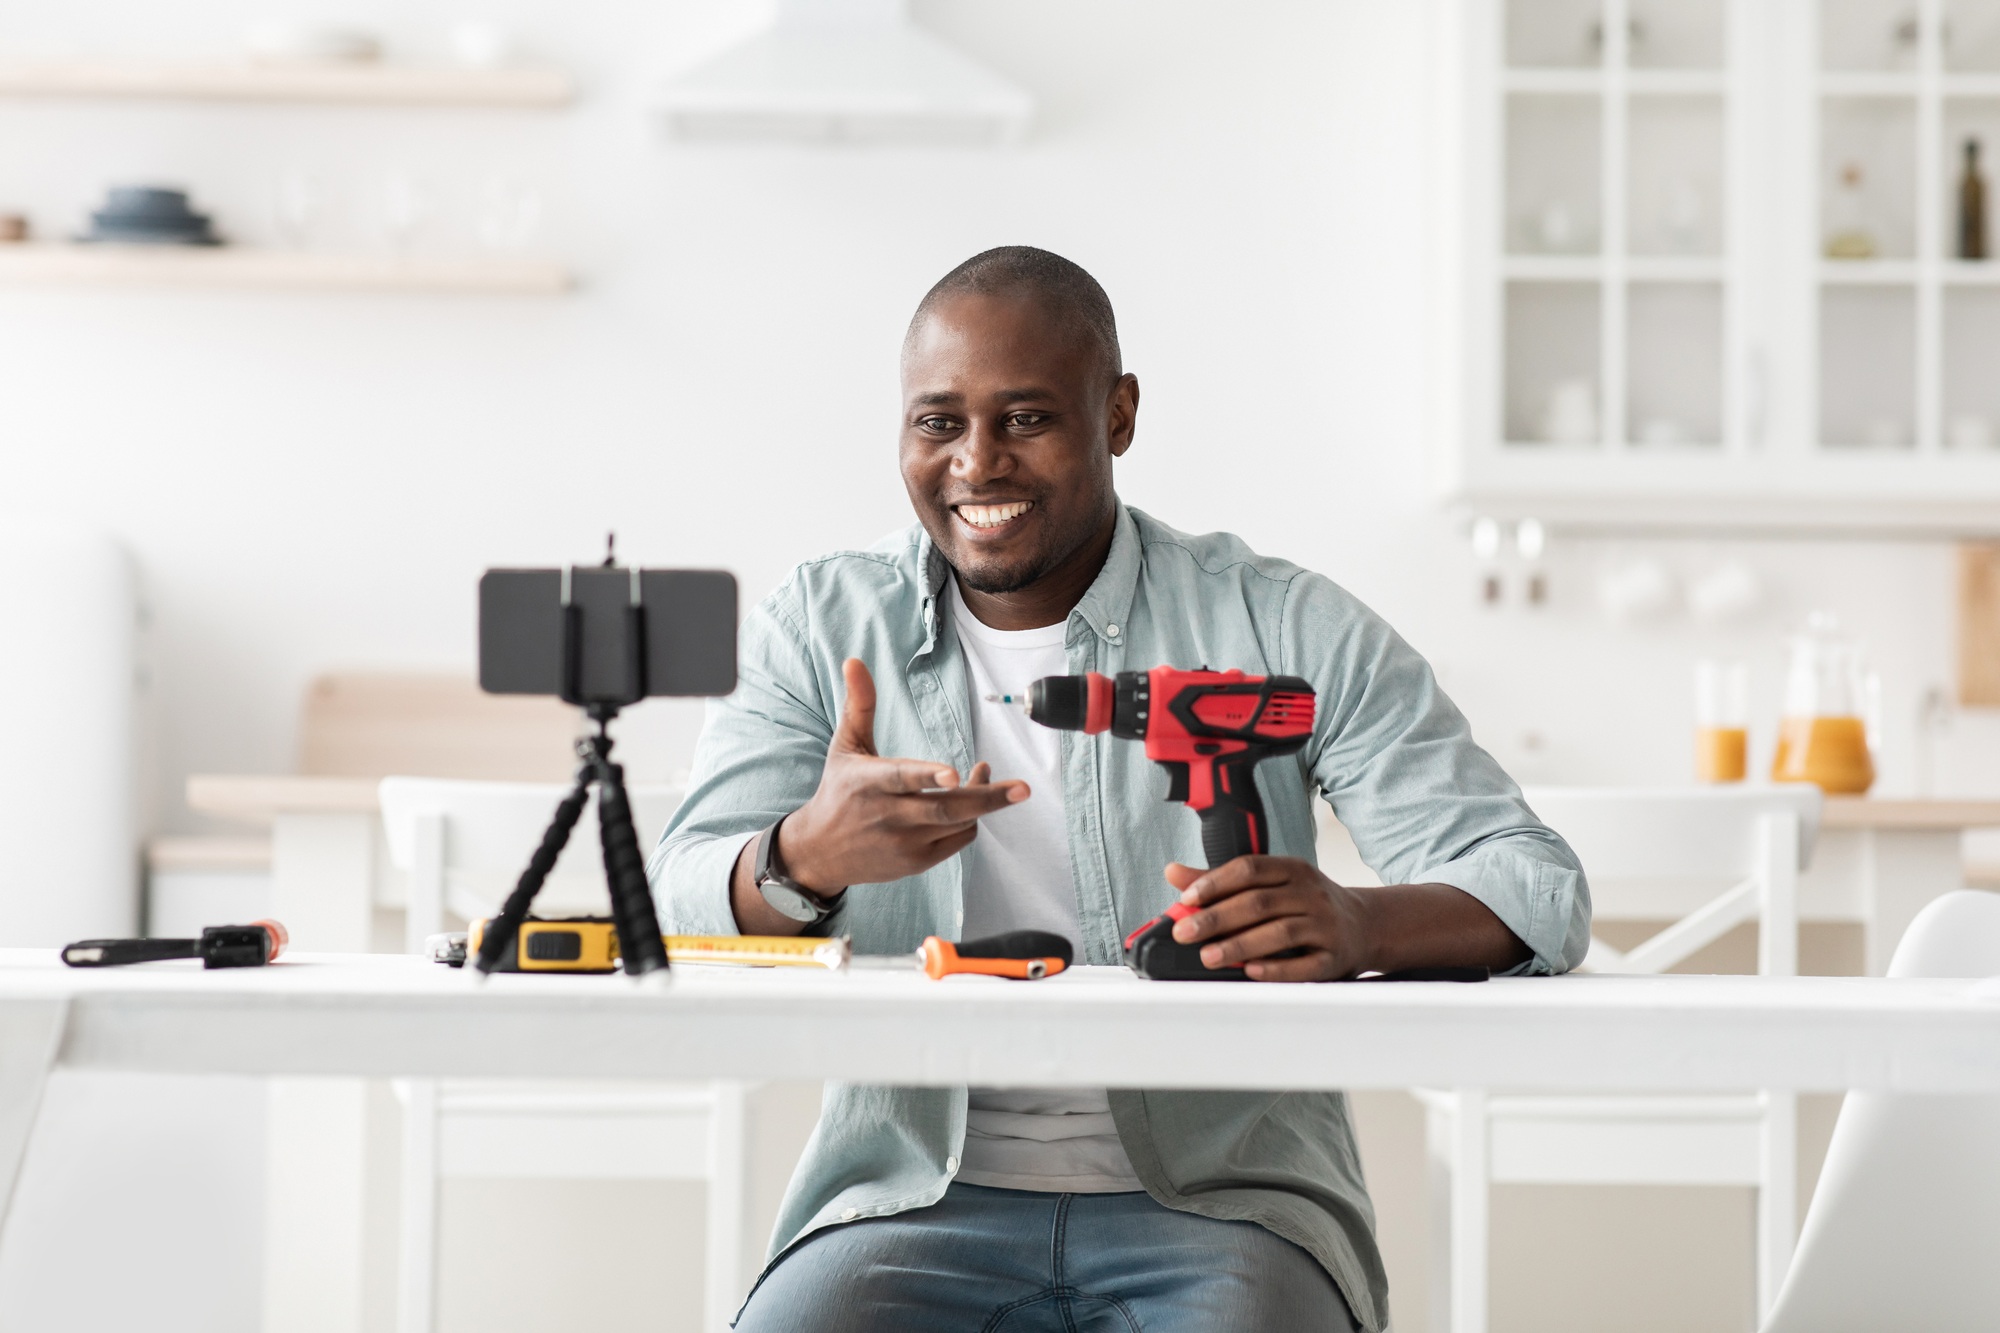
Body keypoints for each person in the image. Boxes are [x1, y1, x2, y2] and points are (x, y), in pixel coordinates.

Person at [650, 246, 1590, 1332]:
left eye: (1025, 418)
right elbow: (674, 897)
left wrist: (1353, 918)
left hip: (1228, 1211)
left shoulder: (1278, 622)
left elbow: (1532, 885)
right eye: (936, 423)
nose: (975, 463)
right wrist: (798, 859)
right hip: (906, 1206)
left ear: (1119, 415)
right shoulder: (820, 629)